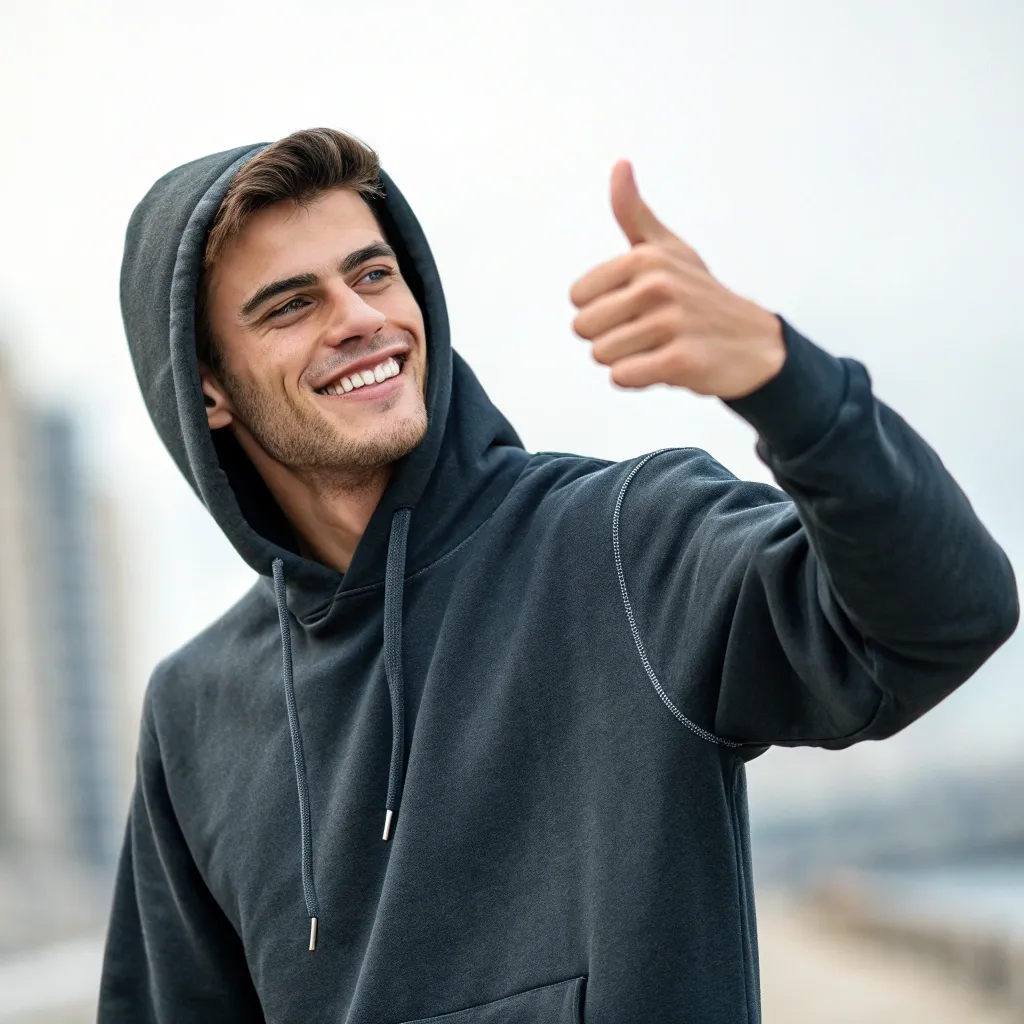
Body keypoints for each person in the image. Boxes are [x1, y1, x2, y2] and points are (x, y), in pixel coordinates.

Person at [99, 127, 1018, 1023]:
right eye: (291, 304)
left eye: (373, 273)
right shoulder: (194, 711)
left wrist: (789, 383)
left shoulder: (624, 544)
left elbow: (944, 617)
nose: (362, 318)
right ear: (208, 389)